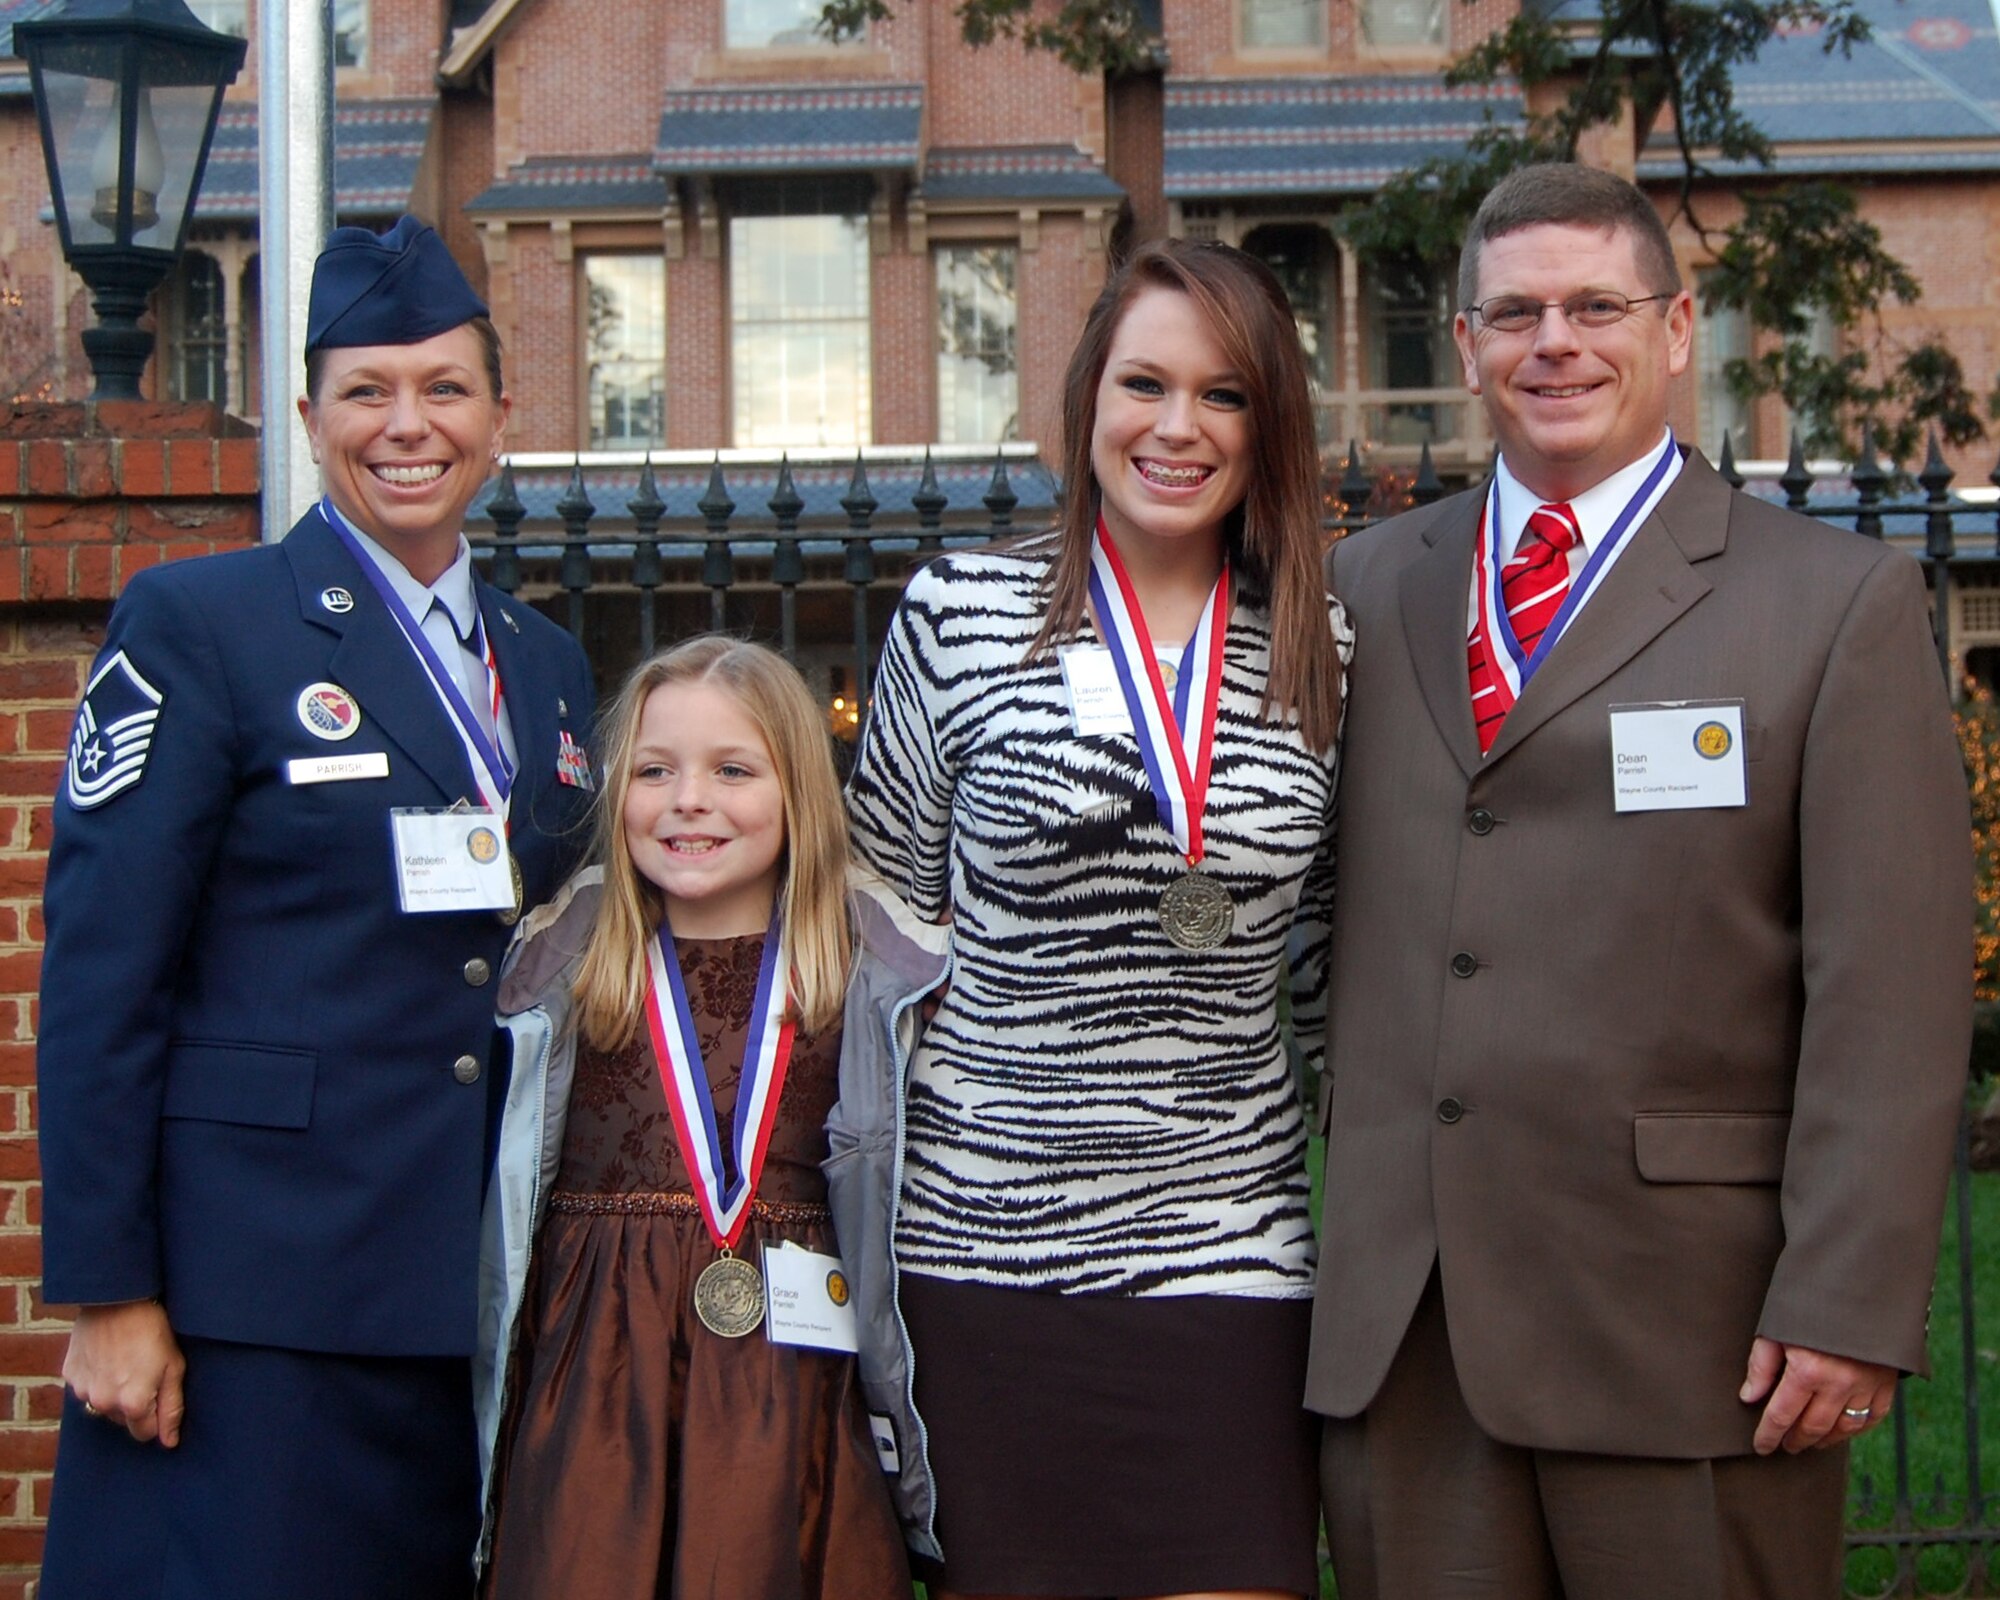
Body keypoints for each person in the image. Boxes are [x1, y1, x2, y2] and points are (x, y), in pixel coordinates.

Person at [1309, 161, 1972, 1600]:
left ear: (1677, 331)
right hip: (1408, 1337)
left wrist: (1849, 1301)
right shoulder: (1360, 589)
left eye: (1596, 305)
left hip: (1693, 1332)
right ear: (1471, 342)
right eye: (1517, 311)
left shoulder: (1828, 606)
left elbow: (1893, 987)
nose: (1556, 341)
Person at [36, 216, 597, 1600]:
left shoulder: (553, 664)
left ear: (501, 415)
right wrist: (110, 1294)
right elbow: (105, 973)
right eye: (367, 391)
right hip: (256, 1310)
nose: (409, 425)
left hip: (480, 1300)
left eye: (445, 389)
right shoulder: (203, 625)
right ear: (309, 413)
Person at [843, 238, 1351, 1599]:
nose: (1178, 428)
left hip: (1228, 1250)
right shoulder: (959, 614)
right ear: (1086, 400)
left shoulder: (1325, 645)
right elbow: (874, 938)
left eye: (1226, 395)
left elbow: (1331, 974)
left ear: (1271, 425)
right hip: (984, 1247)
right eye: (1145, 383)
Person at [475, 637, 909, 1600]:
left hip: (796, 1385)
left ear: (797, 787)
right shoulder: (566, 964)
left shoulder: (869, 973)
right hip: (598, 1380)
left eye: (733, 771)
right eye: (655, 771)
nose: (689, 801)